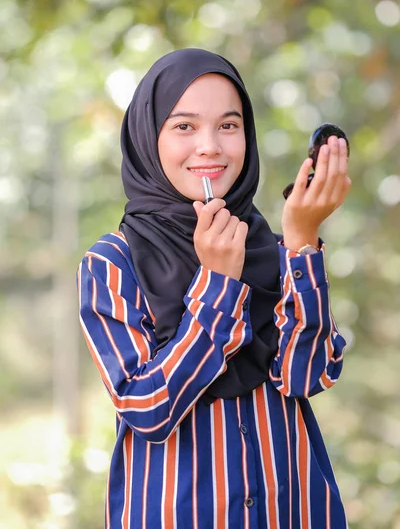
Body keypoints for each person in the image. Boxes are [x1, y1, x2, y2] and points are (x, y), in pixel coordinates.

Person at [77, 48, 351, 528]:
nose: (211, 146)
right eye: (183, 127)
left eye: (228, 125)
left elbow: (308, 377)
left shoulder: (275, 250)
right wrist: (217, 283)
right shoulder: (112, 263)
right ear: (148, 138)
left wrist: (303, 237)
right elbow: (148, 410)